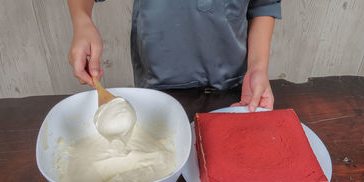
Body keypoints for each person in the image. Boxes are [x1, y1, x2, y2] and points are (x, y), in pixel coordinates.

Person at [67, 0, 281, 111]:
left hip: (236, 88)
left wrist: (258, 67)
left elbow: (263, 5)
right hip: (159, 86)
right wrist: (81, 21)